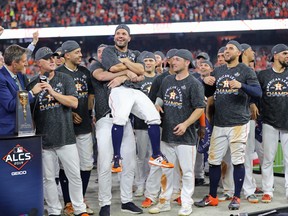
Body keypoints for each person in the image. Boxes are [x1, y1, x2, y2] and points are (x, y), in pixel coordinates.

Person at [194, 40, 262, 210]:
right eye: (225, 49)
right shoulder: (218, 70)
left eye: (230, 48)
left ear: (239, 53)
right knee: (214, 161)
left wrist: (241, 85)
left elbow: (258, 92)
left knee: (238, 161)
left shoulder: (246, 71)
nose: (226, 51)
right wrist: (207, 83)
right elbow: (209, 93)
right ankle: (212, 197)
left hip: (239, 123)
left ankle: (237, 197)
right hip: (220, 123)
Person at [101, 24, 173, 172]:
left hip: (136, 90)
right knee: (120, 118)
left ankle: (156, 155)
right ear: (114, 36)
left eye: (124, 34)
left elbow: (141, 70)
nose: (120, 36)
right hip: (118, 89)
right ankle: (116, 158)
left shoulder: (136, 53)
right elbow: (113, 68)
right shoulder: (109, 50)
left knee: (154, 117)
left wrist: (126, 63)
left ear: (129, 38)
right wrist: (128, 72)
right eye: (118, 33)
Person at [27, 47, 89, 216]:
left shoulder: (65, 78)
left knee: (74, 175)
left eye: (54, 57)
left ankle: (79, 209)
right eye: (48, 58)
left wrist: (52, 92)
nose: (53, 60)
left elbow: (74, 102)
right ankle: (54, 210)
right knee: (48, 179)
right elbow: (26, 112)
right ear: (39, 63)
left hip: (66, 136)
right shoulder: (32, 83)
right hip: (44, 140)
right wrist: (33, 93)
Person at [149, 49, 205, 215]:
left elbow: (200, 108)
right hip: (167, 134)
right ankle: (164, 202)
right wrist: (157, 105)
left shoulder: (194, 83)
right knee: (166, 171)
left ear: (187, 62)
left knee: (187, 172)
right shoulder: (167, 80)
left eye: (177, 59)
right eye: (172, 59)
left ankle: (186, 203)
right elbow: (160, 97)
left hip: (186, 136)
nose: (173, 62)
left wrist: (186, 124)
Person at [91, 43, 143, 215]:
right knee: (105, 163)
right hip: (105, 120)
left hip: (124, 120)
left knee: (130, 161)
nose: (102, 55)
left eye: (105, 52)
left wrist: (124, 76)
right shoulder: (96, 65)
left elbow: (140, 75)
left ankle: (126, 201)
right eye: (99, 52)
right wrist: (126, 73)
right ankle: (104, 204)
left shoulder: (120, 64)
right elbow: (101, 76)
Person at [56, 40, 94, 215]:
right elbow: (53, 100)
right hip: (66, 128)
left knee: (86, 165)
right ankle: (68, 202)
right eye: (77, 52)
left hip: (85, 127)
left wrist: (89, 114)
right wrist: (70, 114)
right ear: (67, 55)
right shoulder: (57, 74)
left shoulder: (86, 72)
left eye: (80, 52)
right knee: (66, 167)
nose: (81, 55)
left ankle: (81, 199)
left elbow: (90, 96)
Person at [257, 44, 288, 203]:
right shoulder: (263, 75)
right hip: (269, 121)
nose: (287, 56)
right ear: (275, 55)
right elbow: (255, 94)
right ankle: (267, 190)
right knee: (268, 159)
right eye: (284, 53)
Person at [0, 44, 41, 135]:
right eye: (24, 61)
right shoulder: (1, 78)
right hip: (7, 132)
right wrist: (32, 93)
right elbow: (10, 105)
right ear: (14, 64)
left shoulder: (19, 74)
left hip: (24, 127)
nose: (26, 64)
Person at [240, 43, 263, 203]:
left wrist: (253, 102)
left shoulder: (249, 70)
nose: (253, 52)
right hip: (237, 118)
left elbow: (255, 92)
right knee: (243, 155)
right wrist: (250, 103)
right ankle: (245, 189)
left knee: (248, 154)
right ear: (243, 52)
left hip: (249, 118)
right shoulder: (237, 70)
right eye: (250, 50)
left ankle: (249, 186)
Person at [133, 52, 158, 197]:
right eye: (146, 61)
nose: (148, 63)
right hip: (140, 124)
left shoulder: (160, 79)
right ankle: (140, 184)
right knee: (141, 156)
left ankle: (151, 185)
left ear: (156, 62)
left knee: (154, 155)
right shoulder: (138, 80)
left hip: (156, 124)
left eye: (151, 60)